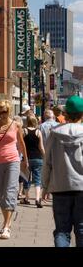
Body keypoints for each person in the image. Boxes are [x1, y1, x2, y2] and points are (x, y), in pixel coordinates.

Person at [42, 95, 83, 247]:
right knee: (81, 228)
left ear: (66, 114)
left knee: (62, 230)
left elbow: (47, 162)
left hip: (60, 186)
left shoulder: (55, 133)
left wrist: (45, 186)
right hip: (82, 188)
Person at [0, 100, 28, 239]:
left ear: (9, 111)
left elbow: (21, 144)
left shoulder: (16, 125)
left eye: (4, 111)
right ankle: (6, 222)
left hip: (13, 161)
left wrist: (25, 161)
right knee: (0, 194)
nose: (2, 115)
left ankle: (6, 226)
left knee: (10, 191)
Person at [21, 114, 45, 208]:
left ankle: (26, 198)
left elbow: (21, 146)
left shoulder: (24, 131)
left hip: (27, 158)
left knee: (26, 178)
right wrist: (45, 156)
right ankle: (37, 198)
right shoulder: (38, 132)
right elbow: (41, 147)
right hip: (38, 158)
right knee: (37, 179)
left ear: (27, 121)